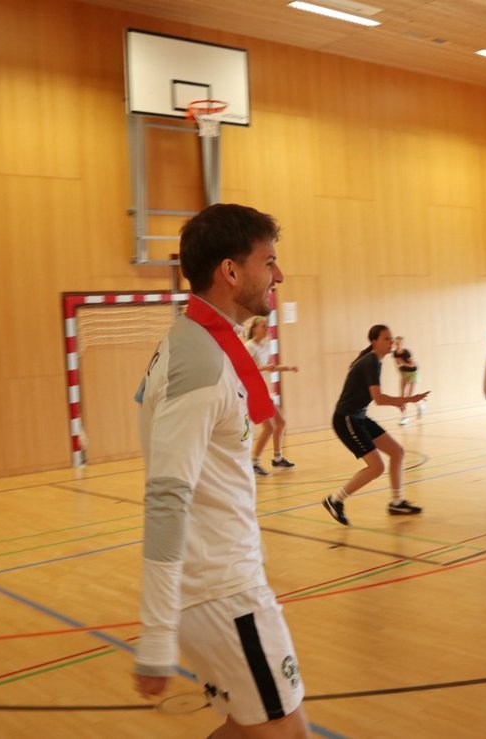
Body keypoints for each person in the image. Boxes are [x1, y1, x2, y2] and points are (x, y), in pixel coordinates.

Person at [133, 203, 310, 738]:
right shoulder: (202, 364)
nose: (279, 275)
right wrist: (156, 633)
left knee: (246, 729)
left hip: (220, 587)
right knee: (288, 734)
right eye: (269, 261)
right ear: (230, 271)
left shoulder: (200, 343)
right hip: (222, 595)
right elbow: (167, 497)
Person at [320, 325, 431, 526]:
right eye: (386, 338)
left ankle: (397, 502)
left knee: (397, 452)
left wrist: (401, 401)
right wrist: (407, 399)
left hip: (359, 417)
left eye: (391, 338)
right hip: (346, 419)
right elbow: (378, 399)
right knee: (377, 467)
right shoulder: (370, 362)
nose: (391, 342)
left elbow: (376, 398)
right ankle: (335, 499)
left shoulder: (375, 361)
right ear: (374, 341)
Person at [244, 315, 298, 476]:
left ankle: (277, 458)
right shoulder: (249, 346)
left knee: (281, 422)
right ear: (255, 328)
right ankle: (254, 462)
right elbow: (244, 370)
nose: (267, 328)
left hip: (264, 390)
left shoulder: (265, 345)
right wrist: (263, 368)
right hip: (253, 391)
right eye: (263, 326)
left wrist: (287, 368)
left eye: (267, 326)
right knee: (269, 427)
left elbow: (269, 367)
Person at [391, 336, 424, 426]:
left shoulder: (406, 352)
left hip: (413, 373)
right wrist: (401, 373)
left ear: (402, 344)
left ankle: (421, 406)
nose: (396, 345)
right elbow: (397, 364)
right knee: (401, 397)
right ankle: (404, 417)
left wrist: (403, 363)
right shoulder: (394, 353)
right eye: (395, 343)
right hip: (404, 374)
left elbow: (413, 364)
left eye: (398, 343)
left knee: (410, 396)